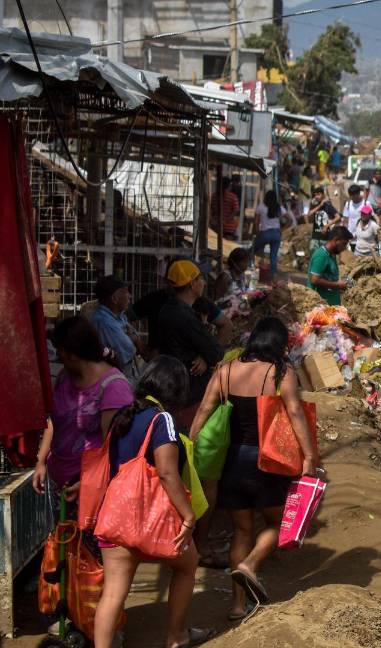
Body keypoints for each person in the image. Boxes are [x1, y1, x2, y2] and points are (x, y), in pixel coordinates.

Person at [190, 318, 319, 620]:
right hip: (266, 462)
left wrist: (189, 446)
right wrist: (310, 456)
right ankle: (251, 564)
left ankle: (237, 605)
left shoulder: (225, 371)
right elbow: (296, 413)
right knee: (279, 524)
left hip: (232, 462)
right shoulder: (280, 372)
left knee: (242, 530)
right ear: (278, 344)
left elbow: (203, 412)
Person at [92, 356, 214, 648]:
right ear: (176, 390)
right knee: (187, 565)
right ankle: (176, 636)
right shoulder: (163, 420)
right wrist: (188, 516)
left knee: (113, 594)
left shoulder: (124, 415)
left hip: (116, 518)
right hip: (154, 519)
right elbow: (167, 473)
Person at [34, 317, 134, 502]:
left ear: (72, 354)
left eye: (59, 351)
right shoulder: (65, 377)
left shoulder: (113, 387)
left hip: (90, 490)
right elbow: (56, 421)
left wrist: (89, 483)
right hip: (58, 484)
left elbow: (113, 447)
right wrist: (40, 461)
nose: (57, 356)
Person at [155, 261, 225, 428]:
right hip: (189, 392)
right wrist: (207, 355)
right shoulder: (184, 316)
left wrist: (203, 355)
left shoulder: (167, 310)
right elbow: (216, 352)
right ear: (192, 284)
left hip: (173, 386)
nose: (204, 282)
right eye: (200, 278)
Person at [89, 275, 143, 380]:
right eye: (126, 292)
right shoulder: (105, 322)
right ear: (114, 298)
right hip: (115, 379)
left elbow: (133, 337)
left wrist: (133, 338)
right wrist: (134, 340)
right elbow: (128, 350)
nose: (130, 296)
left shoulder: (118, 316)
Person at [308, 226, 353, 306]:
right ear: (336, 240)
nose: (344, 247)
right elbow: (314, 279)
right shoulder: (321, 255)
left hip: (331, 305)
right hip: (321, 307)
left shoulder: (331, 255)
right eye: (344, 244)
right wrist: (338, 285)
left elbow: (329, 277)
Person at [252, 190, 283, 281]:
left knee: (254, 250)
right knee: (273, 256)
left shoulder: (261, 206)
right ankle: (273, 276)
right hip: (276, 234)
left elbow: (256, 221)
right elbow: (289, 219)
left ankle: (255, 270)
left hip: (265, 233)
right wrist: (282, 230)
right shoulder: (278, 207)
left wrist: (258, 232)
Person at [307, 186, 339, 253]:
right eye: (315, 195)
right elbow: (309, 215)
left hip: (325, 238)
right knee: (314, 256)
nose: (316, 197)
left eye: (318, 194)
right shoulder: (314, 205)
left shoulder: (328, 205)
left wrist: (327, 226)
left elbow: (338, 217)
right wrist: (320, 206)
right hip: (315, 237)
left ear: (323, 195)